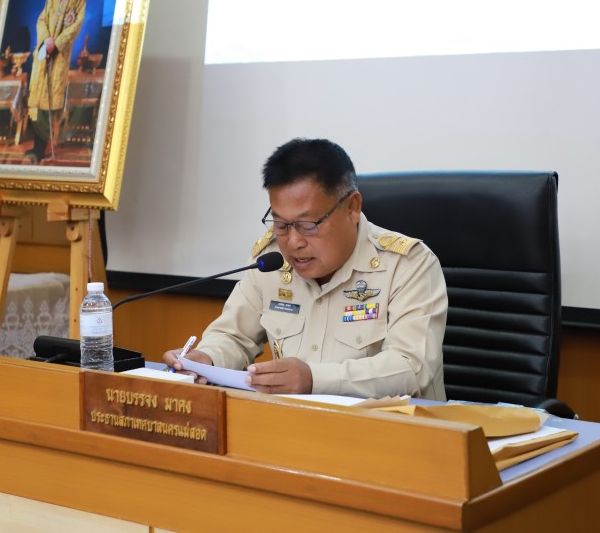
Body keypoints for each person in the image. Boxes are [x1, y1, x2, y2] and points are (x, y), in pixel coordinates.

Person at [163, 138, 448, 400]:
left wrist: (314, 379)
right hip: (294, 427)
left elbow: (411, 369)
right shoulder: (271, 261)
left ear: (352, 207)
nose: (294, 242)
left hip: (389, 430)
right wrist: (207, 359)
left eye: (308, 225)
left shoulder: (408, 265)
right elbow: (233, 337)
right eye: (281, 224)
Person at [26, 0, 88, 161]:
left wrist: (57, 42)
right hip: (45, 52)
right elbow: (41, 19)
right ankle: (36, 146)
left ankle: (41, 148)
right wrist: (46, 40)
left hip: (59, 56)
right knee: (37, 100)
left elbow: (76, 25)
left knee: (49, 103)